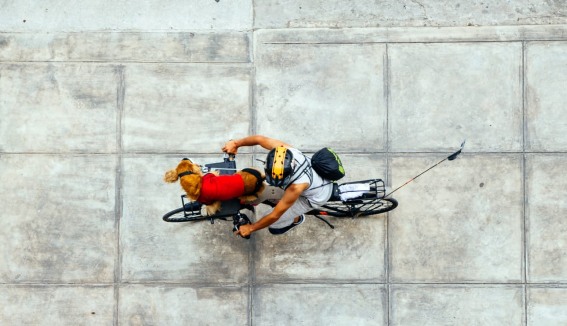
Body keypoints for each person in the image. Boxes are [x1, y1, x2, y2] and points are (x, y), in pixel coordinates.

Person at [222, 135, 333, 237]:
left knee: (274, 226)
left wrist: (251, 228)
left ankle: (297, 218)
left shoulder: (295, 187)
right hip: (312, 181)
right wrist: (236, 144)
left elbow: (274, 216)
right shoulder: (284, 152)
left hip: (315, 197)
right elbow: (259, 139)